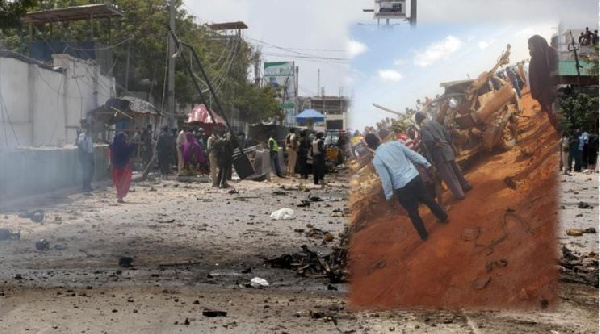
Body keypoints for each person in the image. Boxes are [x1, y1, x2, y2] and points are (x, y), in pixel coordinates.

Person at [365, 133, 448, 241]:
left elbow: (386, 179)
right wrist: (427, 164)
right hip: (414, 177)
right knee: (428, 199)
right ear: (379, 138)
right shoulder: (395, 144)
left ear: (370, 147)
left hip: (402, 187)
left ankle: (424, 236)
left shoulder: (377, 160)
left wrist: (389, 195)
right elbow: (413, 154)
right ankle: (443, 217)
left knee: (413, 212)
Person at [415, 112, 471, 200]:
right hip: (448, 150)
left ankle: (460, 194)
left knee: (449, 176)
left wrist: (431, 153)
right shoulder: (435, 123)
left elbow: (429, 141)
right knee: (456, 170)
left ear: (418, 121)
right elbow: (447, 135)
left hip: (439, 155)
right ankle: (466, 185)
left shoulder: (423, 129)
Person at [528, 35, 559, 131]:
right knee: (555, 119)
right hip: (548, 95)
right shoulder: (534, 61)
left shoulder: (550, 52)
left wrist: (555, 72)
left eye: (530, 45)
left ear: (536, 44)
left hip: (559, 89)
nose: (528, 48)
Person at [109, 132, 135, 203]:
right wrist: (132, 144)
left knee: (118, 182)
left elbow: (110, 155)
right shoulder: (123, 145)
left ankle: (119, 196)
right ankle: (120, 196)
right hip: (123, 166)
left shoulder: (113, 145)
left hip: (116, 166)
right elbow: (128, 151)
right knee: (124, 181)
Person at [77, 120, 95, 192]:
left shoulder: (89, 137)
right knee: (86, 172)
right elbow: (80, 145)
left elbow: (90, 147)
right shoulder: (83, 136)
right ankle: (85, 187)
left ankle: (88, 186)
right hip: (86, 156)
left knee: (91, 171)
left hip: (90, 155)